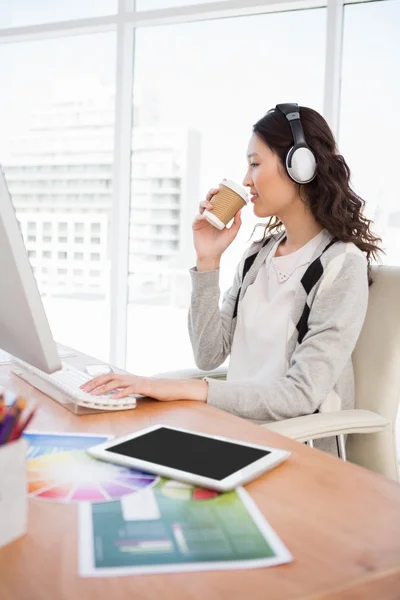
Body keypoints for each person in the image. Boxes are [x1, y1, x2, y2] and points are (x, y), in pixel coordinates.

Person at [81, 104, 382, 452]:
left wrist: (195, 390)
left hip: (295, 449)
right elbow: (208, 354)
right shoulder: (259, 254)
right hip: (233, 434)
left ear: (300, 165)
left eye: (255, 163)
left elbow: (301, 394)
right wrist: (208, 261)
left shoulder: (342, 265)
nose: (246, 180)